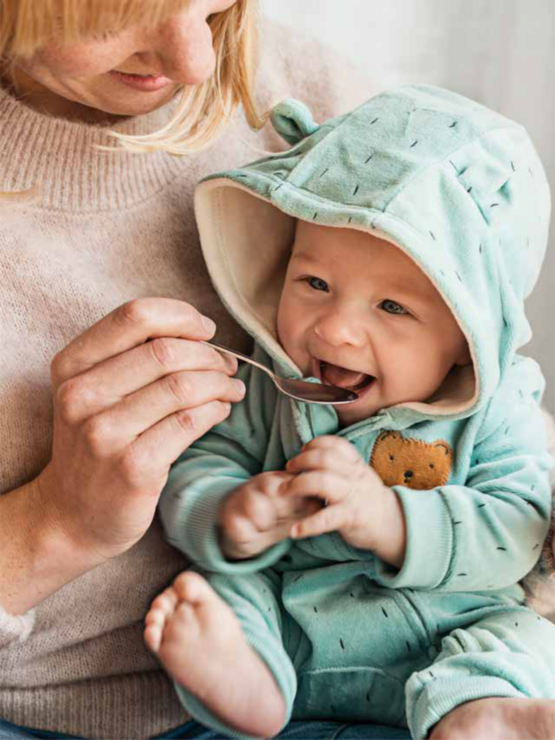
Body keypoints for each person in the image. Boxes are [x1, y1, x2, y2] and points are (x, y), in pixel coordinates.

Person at [0, 1, 407, 739]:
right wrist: (55, 523)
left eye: (215, 5)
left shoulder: (307, 91)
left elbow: (473, 361)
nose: (196, 63)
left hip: (353, 669)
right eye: (118, 14)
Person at [146, 86, 555, 740]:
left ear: (464, 340)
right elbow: (199, 462)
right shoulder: (269, 380)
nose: (333, 331)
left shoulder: (497, 405)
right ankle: (247, 687)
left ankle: (478, 715)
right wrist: (231, 512)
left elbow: (518, 529)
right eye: (314, 284)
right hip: (292, 622)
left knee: (519, 638)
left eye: (392, 308)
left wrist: (392, 520)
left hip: (447, 630)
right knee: (220, 590)